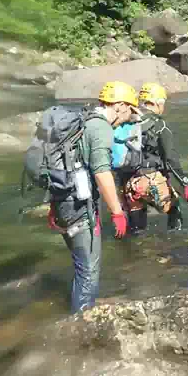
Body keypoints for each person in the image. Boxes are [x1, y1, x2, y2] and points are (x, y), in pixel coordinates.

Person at [48, 81, 136, 313]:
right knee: (88, 271)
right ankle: (81, 330)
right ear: (119, 105)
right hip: (79, 208)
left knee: (81, 267)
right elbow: (102, 172)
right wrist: (117, 212)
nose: (128, 118)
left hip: (63, 202)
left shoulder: (82, 120)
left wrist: (54, 206)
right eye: (129, 110)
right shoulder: (100, 128)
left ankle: (77, 314)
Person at [117, 82, 188, 235]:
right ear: (156, 103)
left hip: (127, 183)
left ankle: (137, 253)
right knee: (174, 209)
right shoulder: (159, 124)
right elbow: (170, 158)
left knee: (137, 230)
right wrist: (184, 183)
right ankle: (174, 242)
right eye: (163, 103)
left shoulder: (127, 120)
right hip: (151, 179)